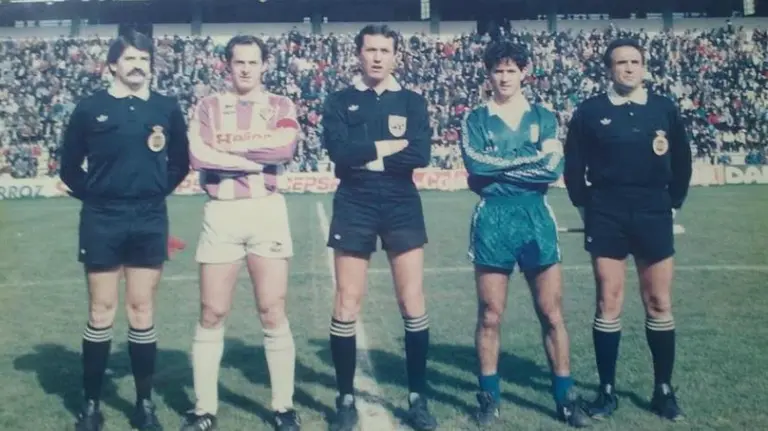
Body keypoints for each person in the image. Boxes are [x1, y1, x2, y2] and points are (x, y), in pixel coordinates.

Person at [59, 29, 190, 431]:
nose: (138, 66)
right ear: (113, 64)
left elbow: (180, 163)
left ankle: (144, 404)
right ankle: (91, 406)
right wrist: (98, 196)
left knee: (141, 309)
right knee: (101, 310)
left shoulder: (166, 108)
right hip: (102, 219)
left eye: (144, 59)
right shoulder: (90, 108)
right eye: (130, 58)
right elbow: (68, 167)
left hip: (149, 218)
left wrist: (153, 191)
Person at [459, 41, 590, 428]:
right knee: (490, 314)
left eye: (511, 70)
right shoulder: (475, 119)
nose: (504, 77)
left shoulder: (543, 116)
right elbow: (475, 165)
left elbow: (552, 167)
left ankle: (565, 398)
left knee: (551, 313)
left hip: (535, 216)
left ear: (524, 73)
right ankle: (489, 398)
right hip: (492, 218)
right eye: (498, 71)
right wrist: (521, 163)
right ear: (488, 74)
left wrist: (499, 167)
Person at [563, 38, 692, 422]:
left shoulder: (663, 108)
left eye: (635, 61)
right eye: (621, 62)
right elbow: (573, 166)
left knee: (659, 302)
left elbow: (683, 161)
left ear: (644, 66)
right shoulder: (591, 111)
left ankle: (663, 389)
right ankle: (606, 391)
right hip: (607, 212)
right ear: (609, 69)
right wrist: (586, 206)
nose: (629, 68)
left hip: (653, 210)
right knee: (609, 301)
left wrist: (672, 202)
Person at [178, 35, 301, 431]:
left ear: (264, 65)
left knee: (272, 309)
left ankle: (283, 407)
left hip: (267, 211)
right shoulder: (208, 106)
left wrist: (229, 149)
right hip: (222, 213)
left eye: (253, 62)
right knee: (212, 311)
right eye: (238, 62)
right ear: (227, 66)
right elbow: (199, 154)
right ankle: (204, 410)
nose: (246, 69)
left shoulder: (281, 105)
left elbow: (284, 148)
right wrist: (252, 161)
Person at [321, 24, 436, 431]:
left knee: (412, 300)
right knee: (347, 301)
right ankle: (345, 398)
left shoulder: (412, 101)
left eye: (384, 50)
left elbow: (420, 154)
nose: (376, 57)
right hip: (354, 200)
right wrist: (386, 147)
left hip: (401, 200)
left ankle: (418, 398)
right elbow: (338, 152)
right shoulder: (339, 100)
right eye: (370, 50)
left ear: (395, 56)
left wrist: (364, 155)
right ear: (358, 54)